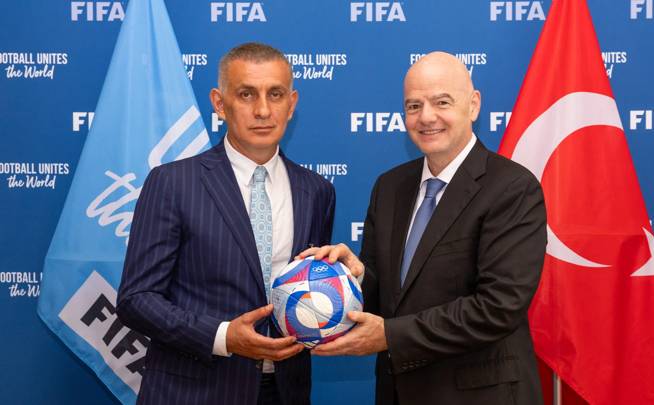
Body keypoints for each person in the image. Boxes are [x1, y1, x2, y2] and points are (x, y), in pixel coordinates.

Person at [301, 52, 547, 404]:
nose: (426, 117)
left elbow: (498, 307)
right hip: (397, 392)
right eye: (413, 106)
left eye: (441, 102)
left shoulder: (512, 188)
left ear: (473, 105)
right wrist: (351, 278)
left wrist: (390, 336)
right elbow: (385, 293)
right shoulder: (389, 187)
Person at [117, 42, 337, 405]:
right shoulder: (173, 183)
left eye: (275, 94)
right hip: (193, 392)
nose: (263, 109)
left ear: (292, 103)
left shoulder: (317, 191)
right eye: (247, 94)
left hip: (284, 392)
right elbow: (136, 300)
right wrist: (222, 336)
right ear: (219, 103)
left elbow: (310, 293)